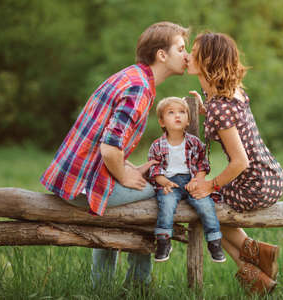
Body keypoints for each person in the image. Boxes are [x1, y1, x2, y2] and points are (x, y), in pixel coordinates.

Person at [40, 21, 189, 290]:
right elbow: (109, 150)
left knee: (146, 181)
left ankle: (102, 287)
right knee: (160, 187)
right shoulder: (140, 89)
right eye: (180, 49)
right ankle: (138, 285)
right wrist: (124, 175)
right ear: (162, 55)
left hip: (75, 175)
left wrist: (131, 167)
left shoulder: (133, 76)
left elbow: (106, 141)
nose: (187, 55)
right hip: (83, 185)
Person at [186, 32, 283, 295]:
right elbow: (227, 116)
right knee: (207, 210)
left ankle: (256, 254)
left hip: (254, 184)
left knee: (202, 204)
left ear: (208, 61)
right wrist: (206, 106)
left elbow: (240, 161)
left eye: (193, 52)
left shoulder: (220, 107)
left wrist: (210, 185)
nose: (187, 56)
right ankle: (256, 271)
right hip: (271, 176)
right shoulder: (232, 95)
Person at [147, 97, 225, 263]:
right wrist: (164, 183)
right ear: (162, 122)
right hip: (169, 183)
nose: (177, 116)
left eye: (182, 112)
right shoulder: (157, 146)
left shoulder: (194, 142)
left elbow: (203, 165)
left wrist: (197, 180)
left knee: (205, 204)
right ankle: (163, 240)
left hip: (191, 181)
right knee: (166, 204)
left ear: (188, 120)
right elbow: (154, 170)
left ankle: (214, 240)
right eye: (171, 112)